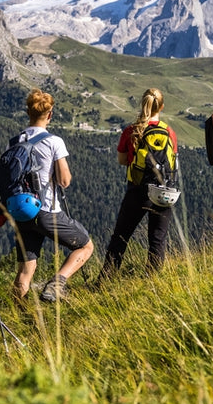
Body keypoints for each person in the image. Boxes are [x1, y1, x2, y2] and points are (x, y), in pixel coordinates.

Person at [10, 89, 94, 302]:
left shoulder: (16, 140)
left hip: (22, 211)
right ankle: (56, 284)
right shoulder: (54, 141)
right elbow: (64, 181)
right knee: (85, 246)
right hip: (47, 211)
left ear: (28, 112)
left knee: (25, 270)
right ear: (50, 115)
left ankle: (17, 316)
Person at [98, 87, 179, 278]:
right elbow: (173, 158)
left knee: (120, 237)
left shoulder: (132, 131)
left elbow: (122, 160)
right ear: (162, 106)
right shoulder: (169, 131)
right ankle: (152, 281)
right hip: (163, 192)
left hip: (138, 190)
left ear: (143, 104)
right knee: (157, 239)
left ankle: (105, 281)